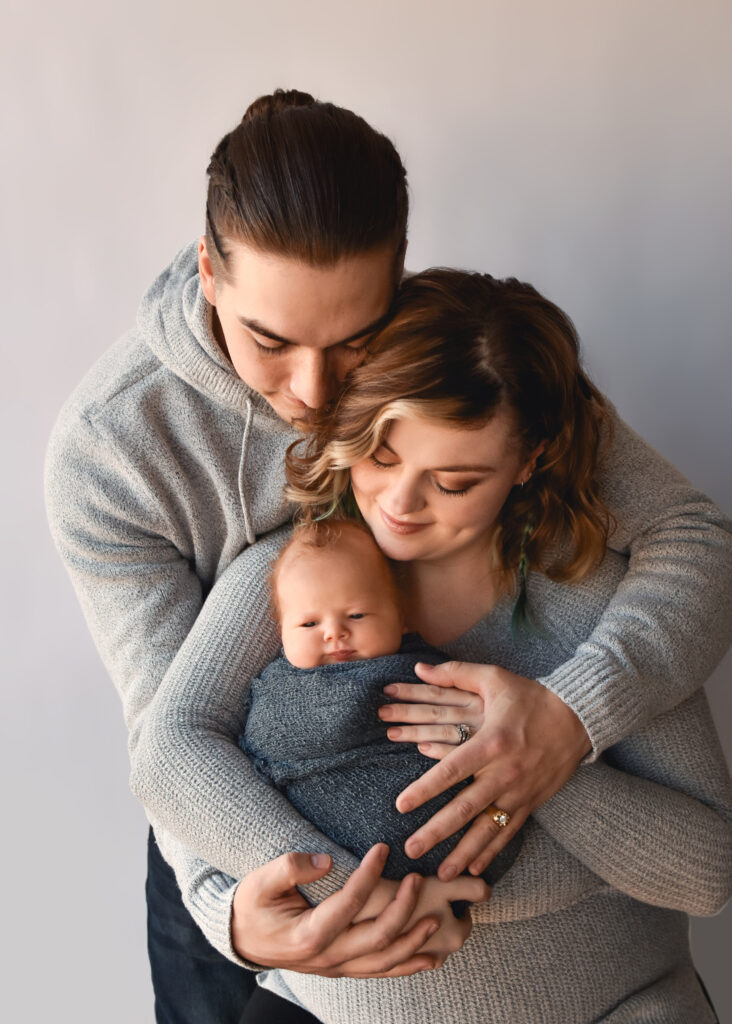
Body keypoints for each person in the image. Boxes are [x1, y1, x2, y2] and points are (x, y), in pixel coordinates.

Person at [45, 86, 732, 1019]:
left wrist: (566, 726)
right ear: (208, 270)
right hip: (239, 840)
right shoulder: (112, 452)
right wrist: (241, 918)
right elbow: (172, 740)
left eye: (355, 341)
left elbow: (693, 537)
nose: (315, 388)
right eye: (271, 341)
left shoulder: (451, 366)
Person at [138, 269, 731, 1022]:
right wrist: (346, 894)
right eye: (380, 457)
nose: (399, 505)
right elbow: (169, 751)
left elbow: (707, 873)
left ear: (529, 461)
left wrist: (538, 766)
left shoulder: (592, 603)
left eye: (453, 481)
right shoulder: (299, 578)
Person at [242, 519, 520, 884]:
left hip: (473, 851)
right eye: (309, 624)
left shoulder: (430, 667)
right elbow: (264, 741)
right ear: (282, 634)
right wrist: (360, 703)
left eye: (356, 615)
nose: (334, 632)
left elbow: (494, 727)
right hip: (341, 870)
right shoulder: (280, 688)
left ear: (401, 618)